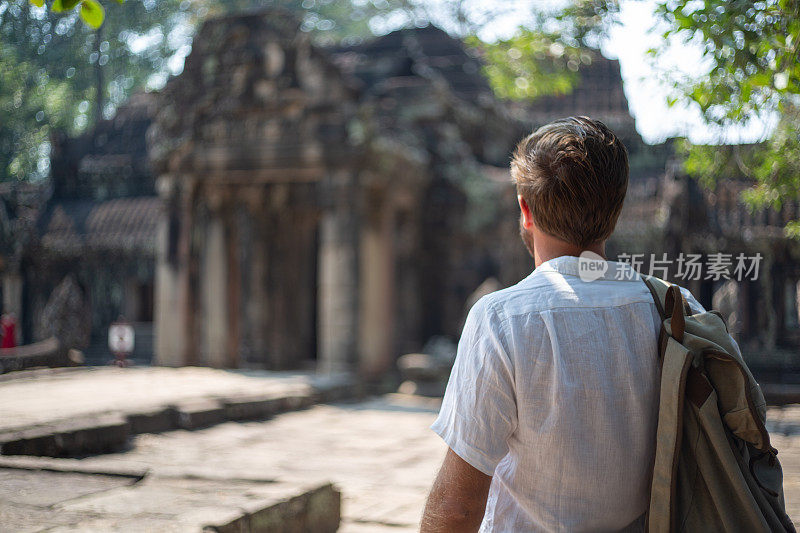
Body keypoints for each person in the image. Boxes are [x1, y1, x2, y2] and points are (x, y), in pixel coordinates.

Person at [420, 117, 703, 532]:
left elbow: (456, 509)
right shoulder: (678, 308)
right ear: (617, 209)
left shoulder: (502, 319)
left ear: (525, 209)